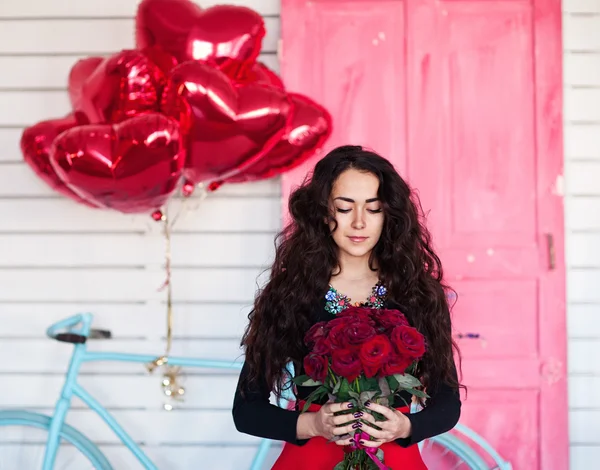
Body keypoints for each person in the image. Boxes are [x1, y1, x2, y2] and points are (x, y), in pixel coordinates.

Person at [233, 145, 462, 469]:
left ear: (390, 214)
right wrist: (312, 425)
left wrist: (406, 427)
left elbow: (448, 403)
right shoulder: (291, 293)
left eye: (373, 208)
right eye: (344, 208)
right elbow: (246, 410)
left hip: (394, 459)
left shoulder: (418, 293)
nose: (358, 222)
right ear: (323, 213)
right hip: (311, 459)